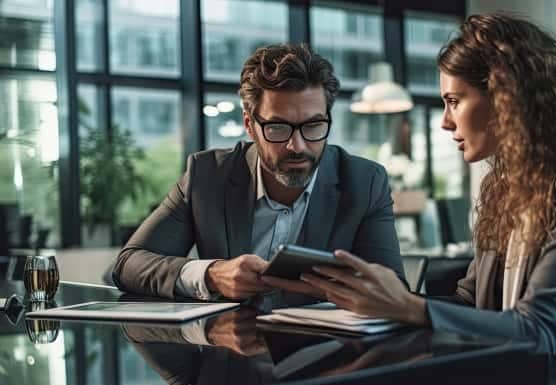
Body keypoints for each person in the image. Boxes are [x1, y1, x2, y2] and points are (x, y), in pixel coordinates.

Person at [267, 14, 556, 385]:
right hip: (502, 381)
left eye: (454, 101)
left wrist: (409, 307)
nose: (444, 122)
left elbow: (539, 330)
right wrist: (378, 297)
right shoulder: (503, 183)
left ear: (506, 96)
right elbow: (469, 303)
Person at [112, 43, 403, 306]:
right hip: (232, 355)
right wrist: (212, 274)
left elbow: (395, 293)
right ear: (250, 125)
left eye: (313, 126)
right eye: (278, 128)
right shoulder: (208, 175)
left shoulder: (365, 182)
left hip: (326, 355)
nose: (297, 146)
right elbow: (128, 265)